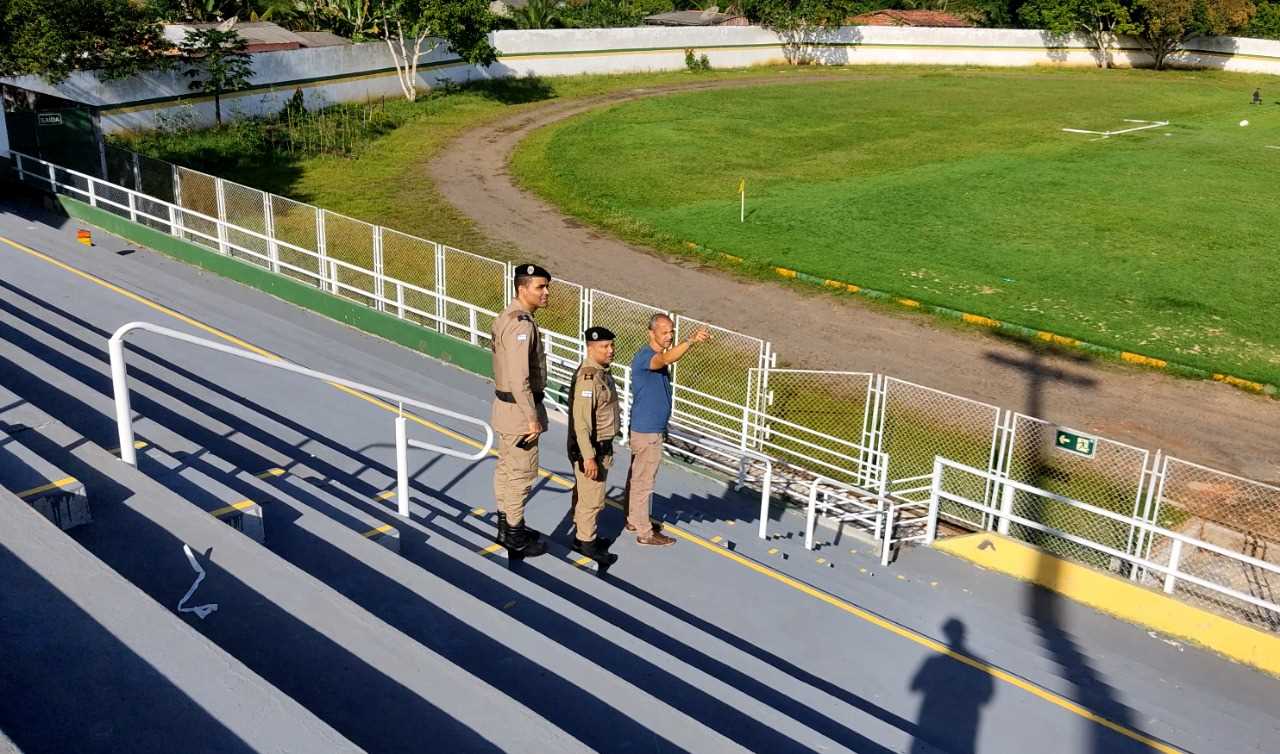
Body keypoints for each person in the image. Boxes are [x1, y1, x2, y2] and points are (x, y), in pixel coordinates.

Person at [623, 314, 709, 546]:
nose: (669, 336)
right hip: (647, 431)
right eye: (664, 332)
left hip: (648, 428)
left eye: (671, 332)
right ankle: (644, 532)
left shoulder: (652, 356)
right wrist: (690, 341)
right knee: (644, 481)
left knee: (637, 477)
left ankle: (634, 519)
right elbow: (665, 359)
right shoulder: (647, 358)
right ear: (651, 333)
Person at [490, 263, 551, 559]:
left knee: (506, 468)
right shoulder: (522, 324)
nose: (546, 292)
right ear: (521, 288)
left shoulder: (507, 316)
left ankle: (507, 525)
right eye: (540, 287)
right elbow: (518, 377)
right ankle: (514, 535)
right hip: (518, 411)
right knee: (521, 474)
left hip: (504, 407)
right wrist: (532, 417)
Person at [566, 327, 621, 572]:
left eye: (611, 346)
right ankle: (587, 544)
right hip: (592, 450)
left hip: (600, 448)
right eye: (604, 347)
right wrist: (589, 457)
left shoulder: (600, 373)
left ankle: (583, 535)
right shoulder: (589, 378)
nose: (610, 351)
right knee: (592, 499)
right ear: (590, 347)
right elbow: (581, 421)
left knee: (586, 494)